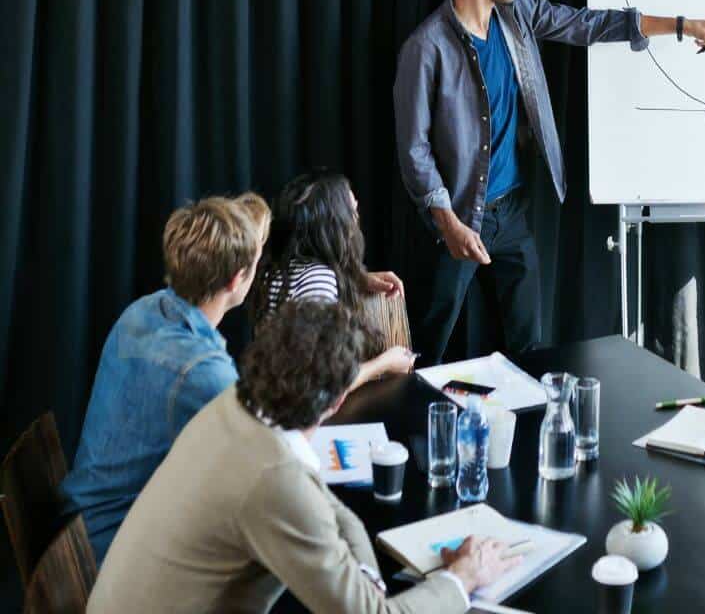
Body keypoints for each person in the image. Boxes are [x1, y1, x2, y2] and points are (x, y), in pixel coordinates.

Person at [394, 0, 705, 363]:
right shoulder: (426, 47)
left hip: (511, 214)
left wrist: (684, 26)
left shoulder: (517, 15)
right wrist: (448, 223)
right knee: (427, 351)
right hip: (457, 218)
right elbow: (414, 150)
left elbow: (587, 24)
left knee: (529, 347)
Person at [88, 300, 520, 613]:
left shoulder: (234, 406)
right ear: (338, 400)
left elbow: (331, 509)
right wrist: (462, 578)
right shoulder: (274, 479)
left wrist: (365, 581)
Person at [61, 194, 264, 563]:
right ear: (237, 279)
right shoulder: (205, 372)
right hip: (112, 553)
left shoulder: (141, 311)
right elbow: (262, 459)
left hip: (79, 528)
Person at [249, 170, 416, 391]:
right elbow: (324, 385)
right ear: (334, 224)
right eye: (351, 211)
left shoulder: (277, 271)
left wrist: (356, 279)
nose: (356, 218)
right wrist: (386, 363)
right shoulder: (319, 278)